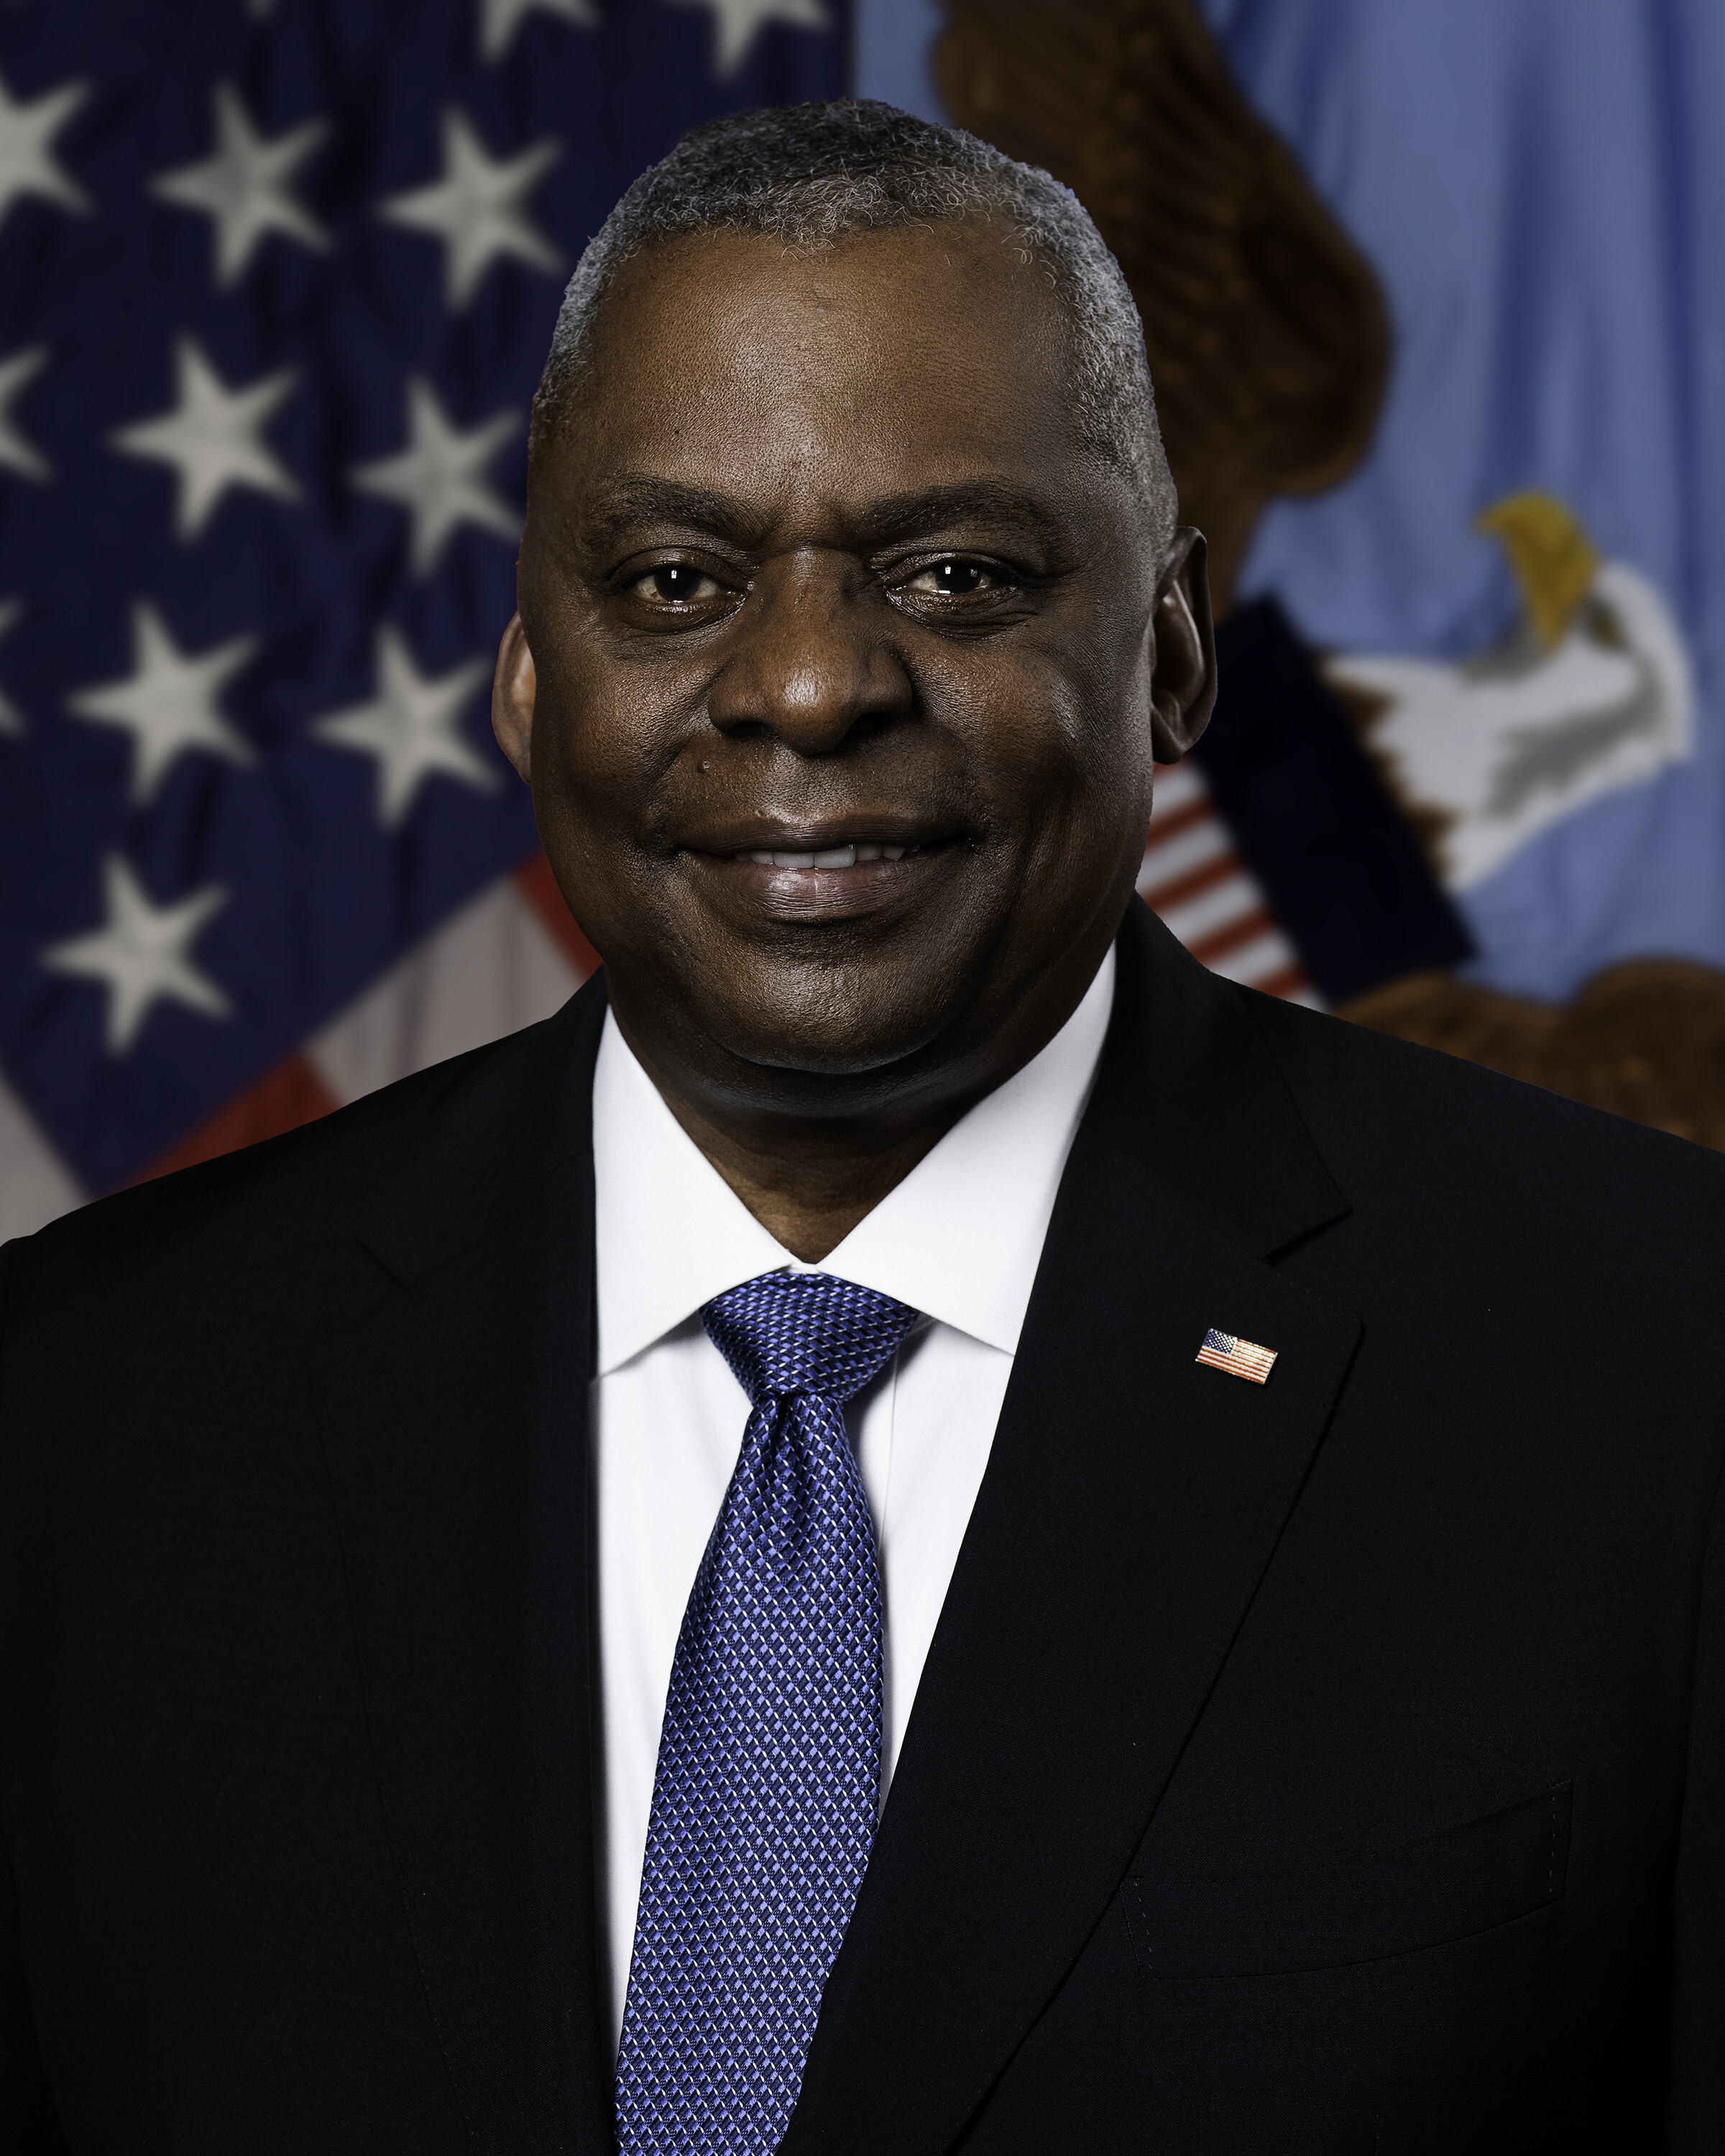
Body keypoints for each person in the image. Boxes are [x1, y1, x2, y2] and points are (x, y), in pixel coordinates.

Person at [1, 98, 1721, 2156]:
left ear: (1168, 649)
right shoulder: (70, 1420)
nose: (809, 686)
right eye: (673, 577)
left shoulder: (1659, 1375)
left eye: (960, 572)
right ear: (530, 674)